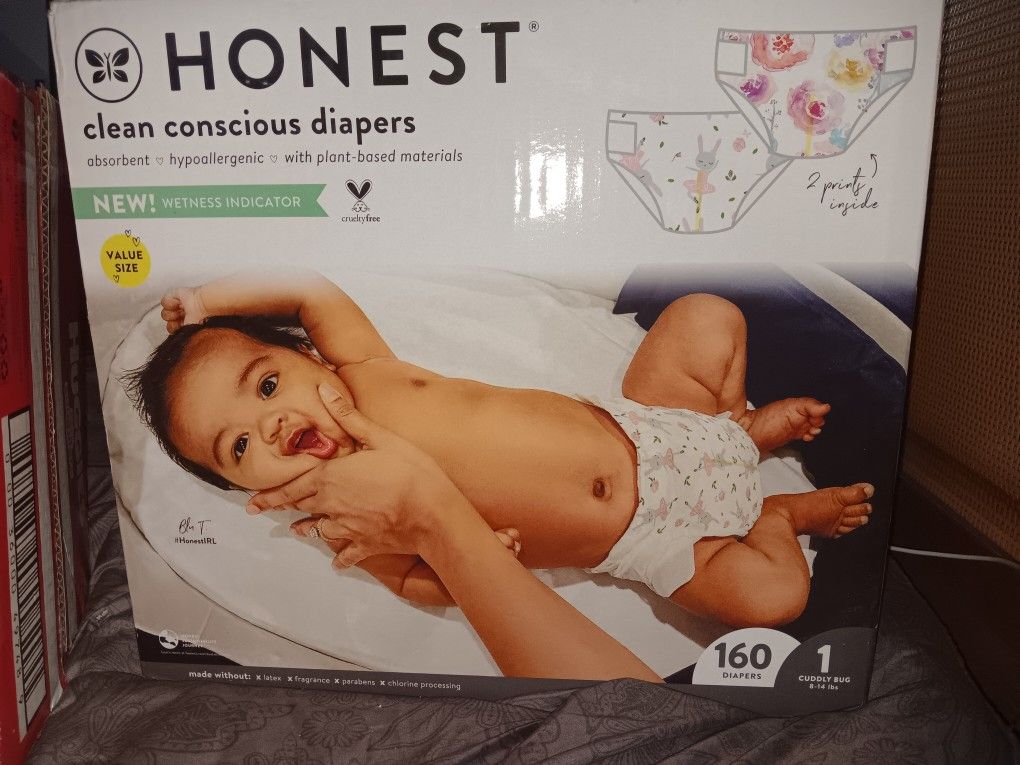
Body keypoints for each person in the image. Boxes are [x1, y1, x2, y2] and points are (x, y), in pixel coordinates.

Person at [126, 270, 873, 628]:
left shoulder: (368, 371)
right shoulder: (345, 519)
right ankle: (779, 516)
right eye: (239, 446)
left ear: (309, 357)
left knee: (706, 315)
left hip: (649, 422)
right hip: (655, 540)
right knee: (773, 599)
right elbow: (407, 580)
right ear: (249, 489)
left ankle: (734, 430)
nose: (270, 426)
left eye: (266, 386)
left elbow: (310, 292)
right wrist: (462, 569)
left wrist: (207, 303)